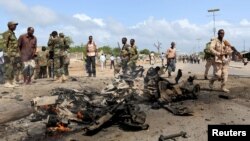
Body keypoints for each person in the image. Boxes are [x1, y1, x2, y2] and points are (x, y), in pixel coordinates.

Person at [2, 21, 20, 87]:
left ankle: (11, 81)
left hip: (13, 54)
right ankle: (7, 82)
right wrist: (5, 53)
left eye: (16, 25)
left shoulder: (13, 34)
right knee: (8, 67)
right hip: (9, 54)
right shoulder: (6, 33)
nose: (15, 26)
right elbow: (4, 44)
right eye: (14, 25)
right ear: (9, 26)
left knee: (12, 67)